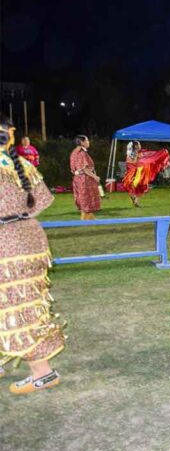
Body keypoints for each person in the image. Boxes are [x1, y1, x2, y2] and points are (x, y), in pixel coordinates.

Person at [0, 119, 65, 394]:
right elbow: (43, 200)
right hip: (29, 237)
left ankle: (43, 373)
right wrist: (19, 216)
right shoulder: (21, 164)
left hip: (7, 246)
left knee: (18, 305)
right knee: (25, 301)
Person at [122, 140, 170, 207]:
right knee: (134, 185)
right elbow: (131, 164)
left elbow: (148, 155)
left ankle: (135, 201)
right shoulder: (132, 154)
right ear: (135, 146)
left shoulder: (140, 153)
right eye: (138, 145)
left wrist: (154, 155)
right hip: (134, 173)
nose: (139, 146)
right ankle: (134, 198)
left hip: (139, 173)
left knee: (139, 186)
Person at [70, 135, 101, 220]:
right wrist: (95, 177)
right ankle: (84, 218)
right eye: (87, 140)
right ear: (82, 142)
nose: (88, 142)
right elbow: (84, 169)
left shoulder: (75, 152)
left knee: (84, 197)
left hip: (79, 178)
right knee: (86, 198)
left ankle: (90, 217)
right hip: (84, 179)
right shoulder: (81, 153)